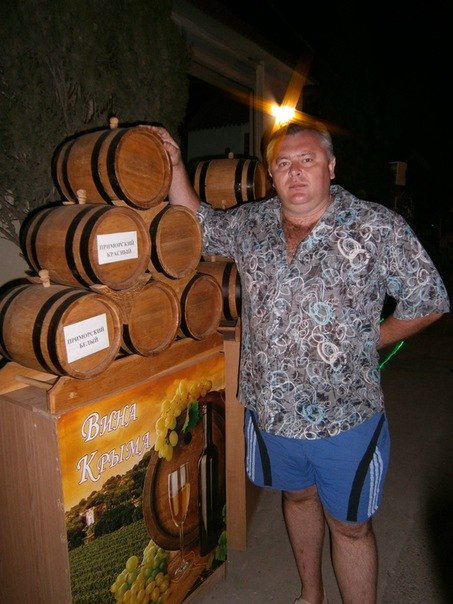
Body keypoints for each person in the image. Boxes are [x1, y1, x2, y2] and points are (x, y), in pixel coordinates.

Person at [151, 122, 450, 604]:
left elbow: (429, 298)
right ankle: (311, 595)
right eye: (284, 163)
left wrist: (373, 338)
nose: (295, 172)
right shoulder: (252, 223)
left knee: (350, 528)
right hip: (273, 413)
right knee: (296, 498)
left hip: (345, 417)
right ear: (271, 174)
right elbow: (199, 222)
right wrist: (174, 166)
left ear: (331, 166)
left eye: (307, 160)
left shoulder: (376, 227)